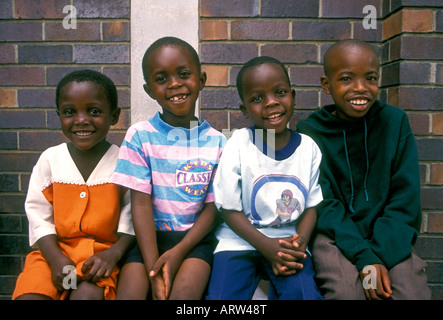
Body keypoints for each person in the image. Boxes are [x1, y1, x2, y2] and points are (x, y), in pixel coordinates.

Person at [296, 39, 431, 300]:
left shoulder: (395, 122)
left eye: (370, 78)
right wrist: (364, 257)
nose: (361, 88)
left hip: (389, 233)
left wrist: (377, 257)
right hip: (335, 234)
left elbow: (405, 199)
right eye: (346, 79)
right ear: (327, 85)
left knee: (409, 292)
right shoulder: (311, 131)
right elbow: (325, 203)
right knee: (347, 293)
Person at [112, 37, 226, 300]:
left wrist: (177, 253)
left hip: (194, 242)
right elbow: (139, 205)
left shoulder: (218, 142)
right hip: (147, 240)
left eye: (184, 74)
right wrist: (154, 269)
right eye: (162, 79)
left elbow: (212, 208)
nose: (174, 84)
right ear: (149, 89)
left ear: (201, 79)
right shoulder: (140, 136)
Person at [206, 56, 323, 300]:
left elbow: (312, 205)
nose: (271, 103)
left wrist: (300, 241)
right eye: (257, 99)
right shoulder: (238, 144)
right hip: (239, 240)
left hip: (287, 240)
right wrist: (265, 246)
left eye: (279, 92)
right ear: (244, 109)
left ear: (292, 96)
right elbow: (229, 209)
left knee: (304, 295)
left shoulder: (309, 148)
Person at [12, 70, 135, 300]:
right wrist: (56, 258)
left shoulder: (124, 163)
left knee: (86, 297)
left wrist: (112, 255)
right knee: (30, 297)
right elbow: (38, 215)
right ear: (59, 115)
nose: (81, 120)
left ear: (114, 116)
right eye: (70, 112)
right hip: (52, 255)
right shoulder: (51, 159)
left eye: (94, 111)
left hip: (99, 258)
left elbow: (132, 219)